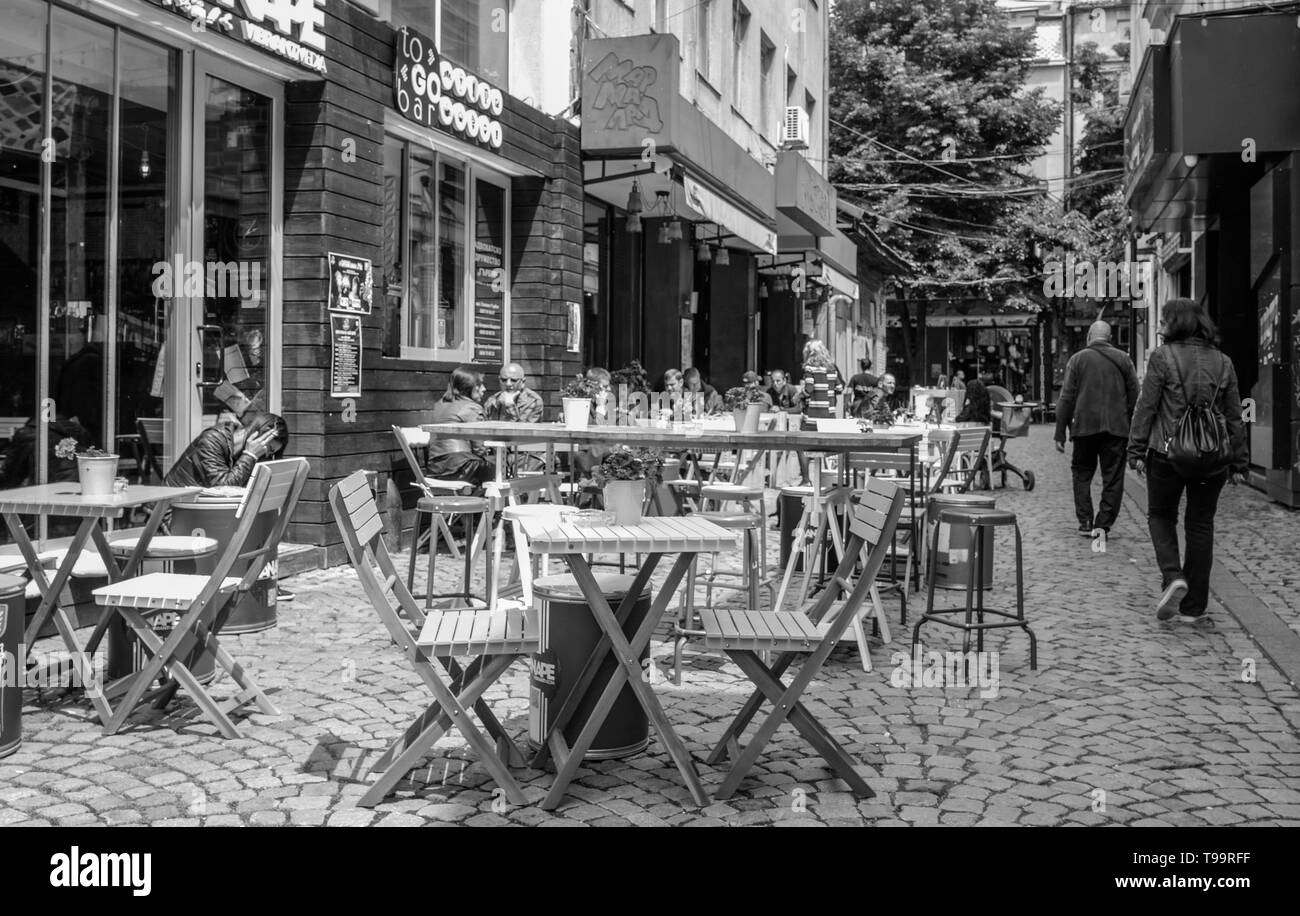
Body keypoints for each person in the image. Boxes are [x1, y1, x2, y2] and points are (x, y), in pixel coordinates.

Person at [1129, 299, 1248, 625]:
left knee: (1160, 516)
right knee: (1200, 524)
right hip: (1212, 458)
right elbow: (1235, 417)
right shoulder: (1223, 362)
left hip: (1167, 454)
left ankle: (1172, 576)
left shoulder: (1162, 357)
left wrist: (1136, 450)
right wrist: (1239, 463)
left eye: (1164, 320)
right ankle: (1194, 607)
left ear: (1176, 323)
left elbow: (1147, 406)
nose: (1159, 326)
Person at [1054, 320, 1140, 537]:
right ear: (1109, 338)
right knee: (1113, 477)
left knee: (1082, 473)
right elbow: (1136, 397)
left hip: (1085, 427)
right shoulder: (1124, 359)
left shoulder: (1078, 359)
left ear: (1089, 336)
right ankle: (1103, 524)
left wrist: (1060, 433)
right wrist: (1131, 425)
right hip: (1116, 428)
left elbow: (1066, 397)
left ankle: (1085, 520)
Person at [164, 413, 283, 489]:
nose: (266, 453)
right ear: (256, 435)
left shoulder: (240, 452)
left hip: (197, 508)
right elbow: (224, 489)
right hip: (171, 511)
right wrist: (250, 455)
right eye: (269, 448)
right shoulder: (212, 440)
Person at [426, 366, 494, 487]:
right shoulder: (471, 407)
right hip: (462, 468)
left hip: (436, 469)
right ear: (469, 387)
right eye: (480, 385)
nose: (484, 389)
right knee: (503, 465)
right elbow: (480, 447)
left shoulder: (440, 405)